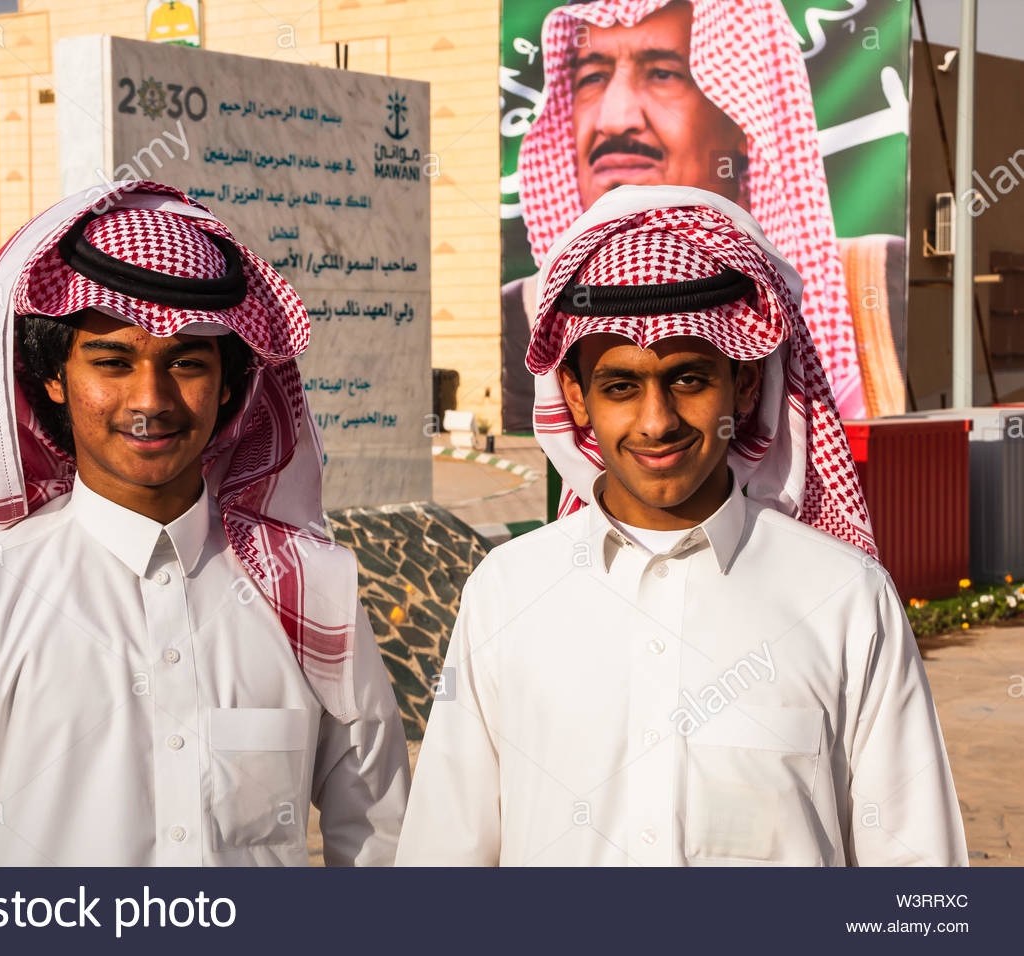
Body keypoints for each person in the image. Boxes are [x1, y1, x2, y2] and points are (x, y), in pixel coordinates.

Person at [399, 185, 967, 866]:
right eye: (620, 386)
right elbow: (445, 857)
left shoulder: (844, 599)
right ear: (576, 397)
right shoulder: (507, 594)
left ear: (747, 384)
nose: (657, 421)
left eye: (689, 379)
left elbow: (915, 876)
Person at [0, 181, 409, 866]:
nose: (150, 400)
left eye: (187, 363)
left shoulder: (311, 592)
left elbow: (382, 841)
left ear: (229, 385)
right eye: (113, 362)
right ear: (52, 377)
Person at [503, 0, 874, 431]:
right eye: (593, 78)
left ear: (740, 115)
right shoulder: (524, 316)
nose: (614, 119)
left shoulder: (873, 289)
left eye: (663, 74)